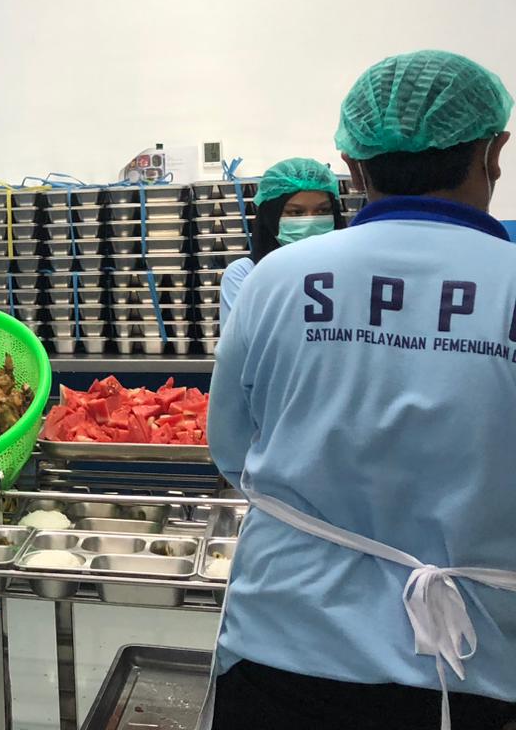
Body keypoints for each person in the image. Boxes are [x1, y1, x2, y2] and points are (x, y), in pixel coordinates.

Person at [205, 50, 516, 730]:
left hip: (283, 641)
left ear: (351, 166)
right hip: (472, 658)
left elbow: (231, 450)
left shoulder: (275, 281)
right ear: (494, 152)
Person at [219, 158, 347, 323]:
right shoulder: (244, 274)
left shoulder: (349, 269)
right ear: (271, 217)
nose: (311, 221)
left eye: (323, 211)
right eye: (296, 213)